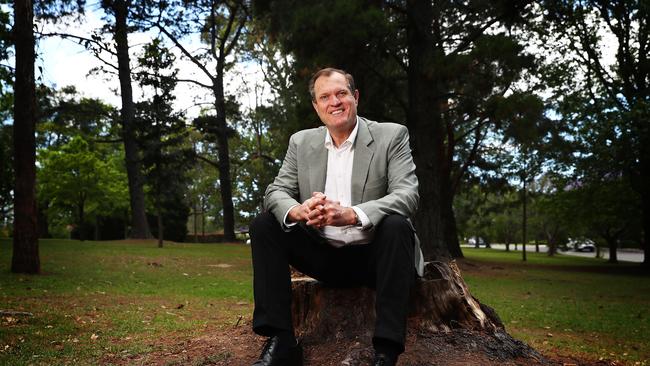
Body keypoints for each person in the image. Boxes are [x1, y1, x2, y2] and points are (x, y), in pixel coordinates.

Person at [250, 67, 424, 366]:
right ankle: (282, 341)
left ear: (355, 97)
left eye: (342, 93)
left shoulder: (391, 135)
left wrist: (352, 215)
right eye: (325, 97)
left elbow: (408, 195)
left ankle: (386, 350)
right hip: (323, 256)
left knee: (396, 225)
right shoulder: (301, 142)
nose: (335, 102)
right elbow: (276, 190)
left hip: (376, 257)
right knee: (265, 223)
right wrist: (298, 210)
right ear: (316, 107)